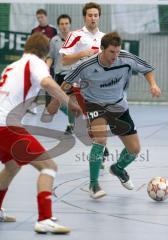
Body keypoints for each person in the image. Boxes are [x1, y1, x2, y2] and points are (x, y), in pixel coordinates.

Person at [0, 32, 81, 234]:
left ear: (26, 47)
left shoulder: (11, 66)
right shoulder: (36, 63)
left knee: (12, 166)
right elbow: (46, 83)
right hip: (6, 126)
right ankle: (44, 219)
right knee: (49, 166)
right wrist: (67, 102)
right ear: (45, 54)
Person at [62, 32, 161, 199]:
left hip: (118, 105)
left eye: (117, 51)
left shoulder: (126, 58)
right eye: (111, 52)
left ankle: (118, 168)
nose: (116, 56)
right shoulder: (86, 66)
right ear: (102, 49)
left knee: (134, 149)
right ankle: (94, 184)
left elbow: (147, 69)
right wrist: (66, 100)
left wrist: (153, 84)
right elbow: (64, 85)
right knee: (100, 140)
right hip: (95, 104)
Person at [59, 2, 109, 168]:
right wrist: (82, 53)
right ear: (84, 17)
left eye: (96, 15)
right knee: (90, 121)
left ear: (99, 17)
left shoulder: (105, 38)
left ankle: (100, 145)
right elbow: (64, 60)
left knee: (99, 121)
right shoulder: (75, 35)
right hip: (82, 87)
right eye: (90, 15)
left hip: (101, 87)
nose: (93, 18)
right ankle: (100, 146)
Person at [45, 14, 75, 134]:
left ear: (70, 24)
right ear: (58, 25)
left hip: (72, 75)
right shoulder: (54, 40)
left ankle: (70, 125)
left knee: (70, 101)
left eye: (66, 24)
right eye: (62, 24)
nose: (64, 26)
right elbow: (50, 57)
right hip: (58, 75)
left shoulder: (76, 40)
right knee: (53, 104)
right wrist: (45, 68)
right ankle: (73, 113)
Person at [30, 9, 57, 115]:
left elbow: (55, 44)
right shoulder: (34, 30)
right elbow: (32, 46)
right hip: (38, 61)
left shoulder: (53, 30)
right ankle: (32, 105)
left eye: (42, 17)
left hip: (49, 61)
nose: (40, 19)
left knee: (48, 84)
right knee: (35, 82)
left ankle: (48, 107)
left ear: (46, 17)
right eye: (38, 18)